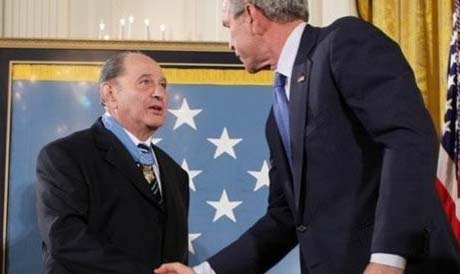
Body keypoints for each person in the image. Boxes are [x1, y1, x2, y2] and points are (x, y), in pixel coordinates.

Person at [155, 1, 460, 274]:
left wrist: (388, 258)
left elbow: (407, 137)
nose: (229, 43)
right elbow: (285, 217)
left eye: (228, 27)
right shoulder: (278, 115)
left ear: (251, 15)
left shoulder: (344, 42)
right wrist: (204, 272)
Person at [36, 51, 189, 274]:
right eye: (145, 82)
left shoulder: (175, 175)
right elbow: (65, 240)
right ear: (109, 93)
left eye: (163, 85)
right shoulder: (65, 156)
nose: (159, 93)